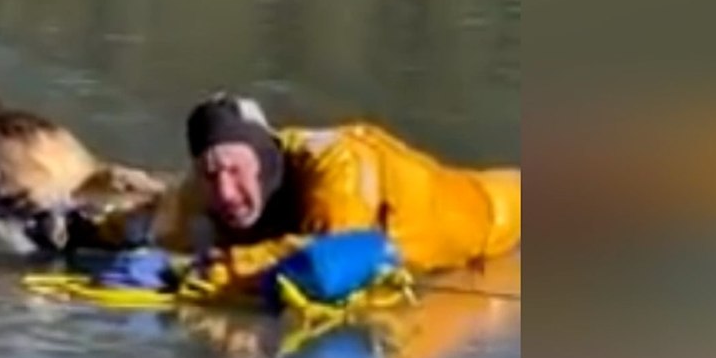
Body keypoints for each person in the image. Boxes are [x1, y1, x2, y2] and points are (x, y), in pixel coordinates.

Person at [42, 93, 520, 301]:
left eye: (235, 170)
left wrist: (204, 271)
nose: (225, 191)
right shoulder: (202, 189)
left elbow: (331, 250)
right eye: (211, 174)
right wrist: (80, 230)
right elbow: (154, 221)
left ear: (260, 157)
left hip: (482, 214)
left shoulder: (337, 167)